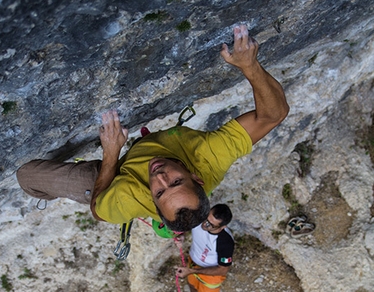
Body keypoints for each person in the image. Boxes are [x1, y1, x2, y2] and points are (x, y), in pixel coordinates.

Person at [17, 25, 289, 233]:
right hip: (135, 158)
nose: (159, 177)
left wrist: (111, 154)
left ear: (153, 205)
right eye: (176, 181)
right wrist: (250, 66)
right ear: (197, 177)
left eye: (159, 192)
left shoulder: (129, 198)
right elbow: (273, 115)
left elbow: (98, 211)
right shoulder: (210, 156)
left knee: (26, 175)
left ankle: (48, 193)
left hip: (108, 177)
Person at [175, 203, 234, 292]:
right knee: (192, 286)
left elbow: (223, 269)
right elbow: (189, 226)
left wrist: (192, 271)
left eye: (211, 225)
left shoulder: (225, 242)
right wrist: (182, 236)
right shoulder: (199, 218)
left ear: (222, 227)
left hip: (211, 274)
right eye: (207, 219)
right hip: (193, 263)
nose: (205, 225)